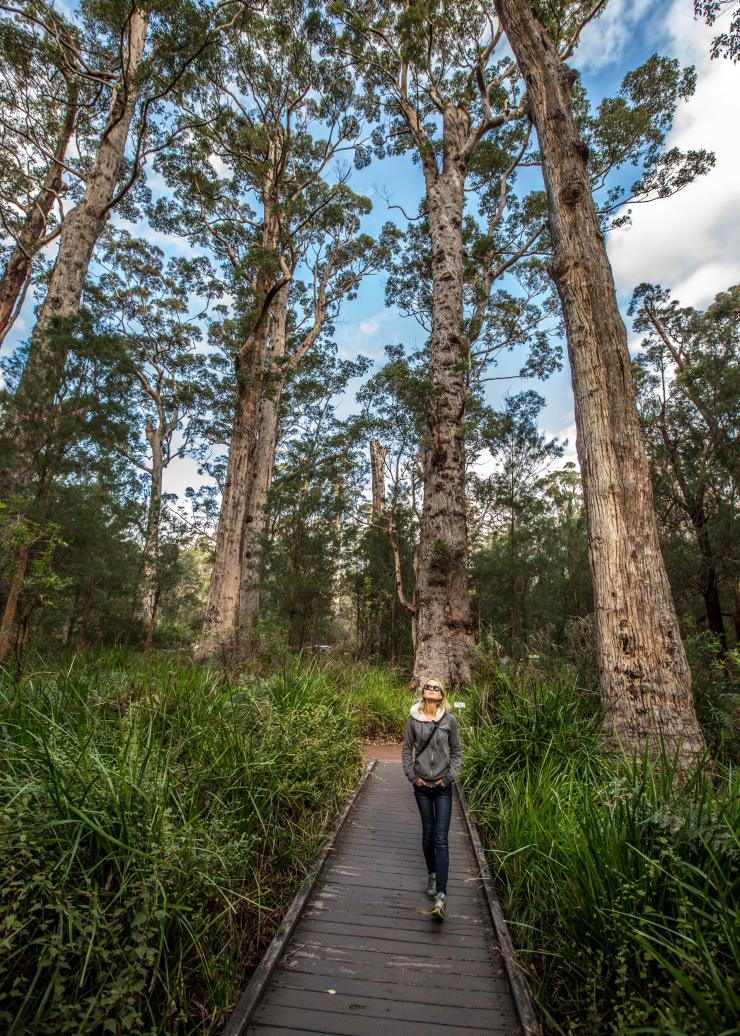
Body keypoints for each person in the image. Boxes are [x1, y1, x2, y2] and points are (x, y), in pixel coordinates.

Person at [401, 678, 462, 922]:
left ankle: (441, 894)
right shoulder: (413, 719)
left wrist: (448, 779)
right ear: (423, 692)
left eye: (436, 687)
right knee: (427, 833)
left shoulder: (449, 720)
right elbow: (406, 749)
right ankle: (432, 873)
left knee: (441, 837)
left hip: (443, 786)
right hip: (422, 785)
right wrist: (412, 776)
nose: (432, 689)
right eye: (429, 686)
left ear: (442, 694)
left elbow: (457, 752)